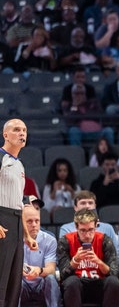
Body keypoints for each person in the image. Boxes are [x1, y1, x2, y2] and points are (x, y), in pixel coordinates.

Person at [0, 118, 38, 306]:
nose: (22, 133)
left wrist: (26, 236)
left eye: (24, 129)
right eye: (16, 129)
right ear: (5, 135)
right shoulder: (0, 158)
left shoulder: (19, 164)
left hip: (15, 221)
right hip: (2, 219)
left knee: (14, 281)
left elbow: (19, 204)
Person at [57, 208, 119, 307]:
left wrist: (98, 262)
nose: (87, 235)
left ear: (96, 226)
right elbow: (62, 275)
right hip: (78, 287)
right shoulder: (66, 241)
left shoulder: (105, 240)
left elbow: (115, 273)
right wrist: (75, 261)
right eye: (82, 230)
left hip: (99, 285)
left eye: (91, 230)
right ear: (76, 227)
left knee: (113, 282)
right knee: (71, 281)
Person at [21, 201, 61, 307]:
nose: (34, 225)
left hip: (41, 283)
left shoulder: (50, 240)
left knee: (51, 278)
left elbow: (51, 269)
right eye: (29, 221)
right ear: (22, 223)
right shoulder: (14, 240)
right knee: (15, 282)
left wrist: (39, 270)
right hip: (22, 283)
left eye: (37, 221)